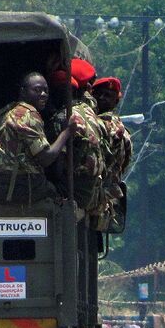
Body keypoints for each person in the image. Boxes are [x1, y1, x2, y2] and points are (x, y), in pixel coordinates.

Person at [0, 72, 78, 205]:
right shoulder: (28, 115)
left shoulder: (2, 113)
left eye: (46, 90)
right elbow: (46, 158)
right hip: (22, 188)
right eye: (37, 90)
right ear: (23, 91)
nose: (43, 94)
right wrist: (66, 132)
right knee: (61, 192)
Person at [47, 60, 107, 218]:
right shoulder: (89, 112)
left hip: (74, 192)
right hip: (92, 192)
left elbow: (58, 162)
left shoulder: (63, 118)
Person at [92, 76, 131, 222]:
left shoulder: (113, 128)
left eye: (107, 95)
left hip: (101, 195)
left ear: (116, 101)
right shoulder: (91, 121)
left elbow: (122, 164)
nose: (101, 98)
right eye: (98, 94)